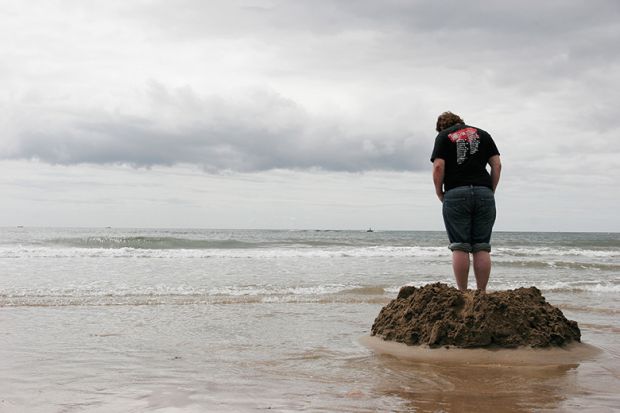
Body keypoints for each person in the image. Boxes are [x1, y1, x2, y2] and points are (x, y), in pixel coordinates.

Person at [430, 112, 501, 291]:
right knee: (481, 246)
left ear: (441, 126)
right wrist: (490, 189)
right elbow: (497, 165)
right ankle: (481, 293)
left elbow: (438, 166)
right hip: (484, 192)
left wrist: (439, 192)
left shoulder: (443, 136)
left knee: (460, 246)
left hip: (456, 192)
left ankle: (462, 292)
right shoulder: (483, 134)